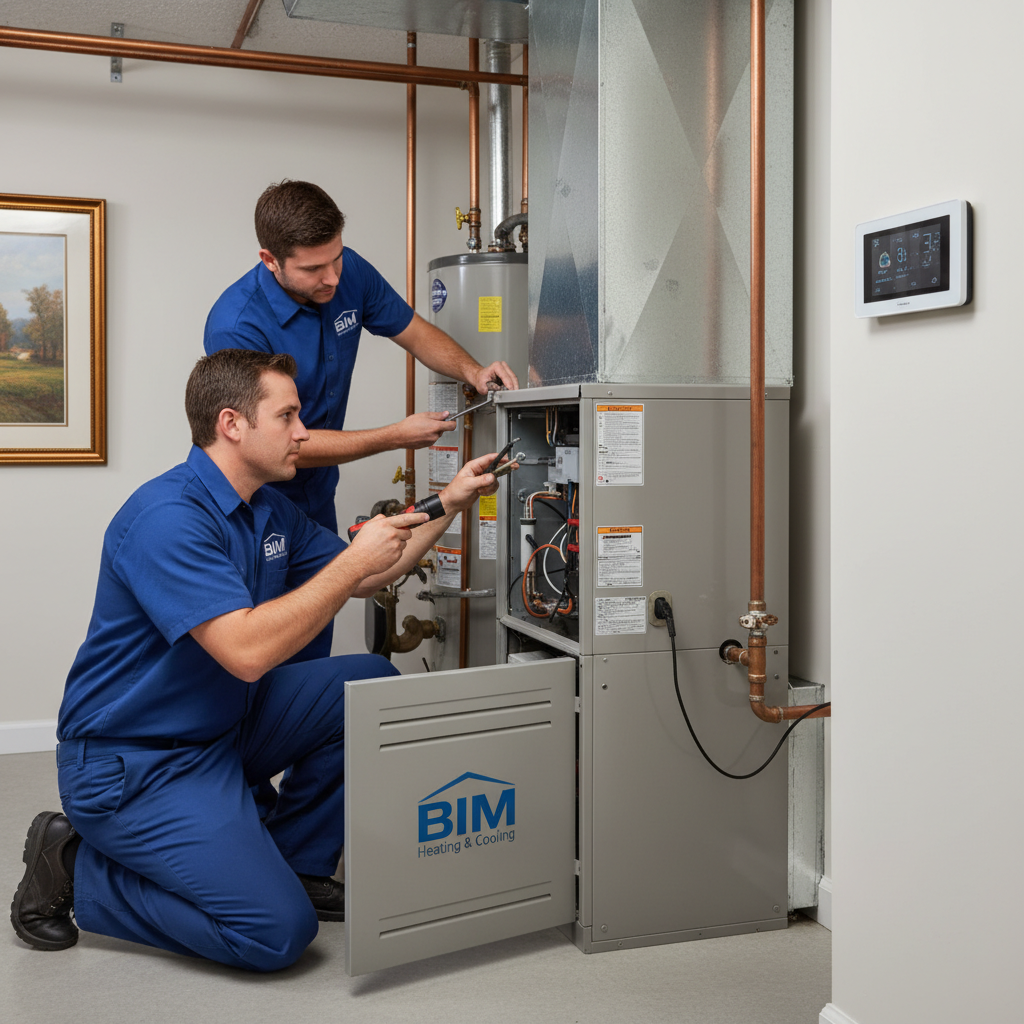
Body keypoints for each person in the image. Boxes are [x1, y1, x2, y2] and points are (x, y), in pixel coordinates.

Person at [10, 349, 507, 972]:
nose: (304, 432)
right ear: (232, 424)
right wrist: (354, 560)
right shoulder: (167, 517)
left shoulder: (269, 508)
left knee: (366, 681)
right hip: (133, 762)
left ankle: (292, 861)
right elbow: (247, 654)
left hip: (221, 724)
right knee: (275, 935)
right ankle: (78, 868)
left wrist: (450, 502)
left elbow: (374, 572)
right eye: (289, 416)